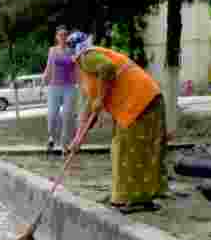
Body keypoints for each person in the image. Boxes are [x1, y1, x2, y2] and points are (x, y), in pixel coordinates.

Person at [66, 31, 169, 213]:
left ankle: (132, 199)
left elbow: (108, 68)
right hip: (143, 101)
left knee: (128, 150)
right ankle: (131, 197)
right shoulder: (87, 69)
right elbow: (90, 107)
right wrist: (78, 138)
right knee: (126, 150)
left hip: (141, 102)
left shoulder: (86, 57)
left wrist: (101, 98)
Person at [43, 25, 79, 154]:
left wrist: (80, 83)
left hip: (69, 87)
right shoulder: (52, 50)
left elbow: (77, 69)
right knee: (52, 116)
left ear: (67, 37)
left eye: (65, 35)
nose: (63, 37)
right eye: (60, 35)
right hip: (54, 87)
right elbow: (49, 67)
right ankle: (52, 137)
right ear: (57, 37)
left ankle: (64, 145)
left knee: (67, 116)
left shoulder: (73, 51)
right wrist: (44, 80)